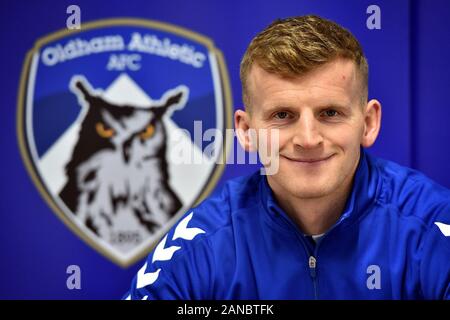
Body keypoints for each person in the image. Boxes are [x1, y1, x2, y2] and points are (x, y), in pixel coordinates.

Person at [124, 15, 450, 299]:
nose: (308, 140)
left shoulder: (431, 225)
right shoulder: (203, 243)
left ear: (368, 123)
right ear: (246, 132)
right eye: (282, 115)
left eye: (330, 113)